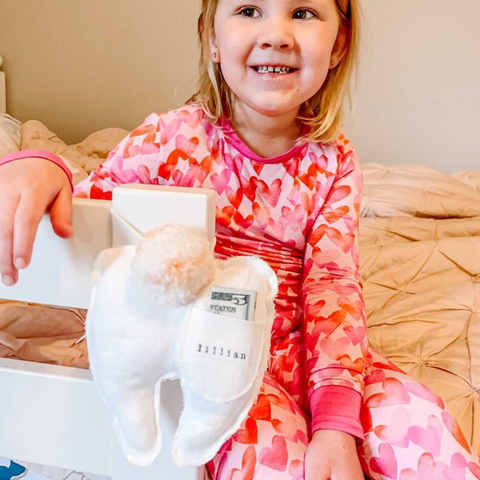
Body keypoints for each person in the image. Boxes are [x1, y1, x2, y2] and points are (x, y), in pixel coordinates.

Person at [0, 1, 479, 479]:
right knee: (270, 455)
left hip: (302, 349)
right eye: (250, 9)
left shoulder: (334, 162)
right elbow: (84, 213)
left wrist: (335, 422)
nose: (276, 33)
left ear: (339, 45)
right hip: (213, 354)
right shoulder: (171, 139)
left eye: (305, 12)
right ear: (212, 38)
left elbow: (333, 287)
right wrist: (42, 165)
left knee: (421, 426)